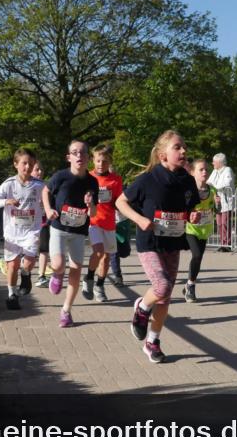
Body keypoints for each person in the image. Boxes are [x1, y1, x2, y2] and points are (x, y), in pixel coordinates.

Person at [116, 130, 200, 363]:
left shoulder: (187, 180)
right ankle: (142, 308)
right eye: (177, 147)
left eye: (184, 147)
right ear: (163, 155)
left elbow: (191, 208)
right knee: (161, 287)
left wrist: (192, 215)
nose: (183, 151)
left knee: (164, 298)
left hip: (173, 243)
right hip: (150, 243)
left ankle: (152, 342)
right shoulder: (148, 179)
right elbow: (120, 202)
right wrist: (139, 219)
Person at [41, 140, 99, 328]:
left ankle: (66, 311)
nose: (79, 156)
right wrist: (49, 210)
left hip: (79, 232)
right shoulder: (61, 177)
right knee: (58, 264)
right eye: (75, 152)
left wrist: (90, 205)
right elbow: (45, 191)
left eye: (83, 152)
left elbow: (94, 214)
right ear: (69, 157)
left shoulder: (92, 182)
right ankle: (57, 274)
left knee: (76, 270)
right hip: (59, 228)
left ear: (88, 157)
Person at [0, 148, 45, 310]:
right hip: (12, 233)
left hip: (31, 231)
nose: (27, 167)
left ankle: (26, 274)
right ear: (16, 164)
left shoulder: (40, 185)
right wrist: (5, 202)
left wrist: (47, 206)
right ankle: (12, 295)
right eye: (24, 163)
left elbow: (51, 198)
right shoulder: (9, 184)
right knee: (12, 265)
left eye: (31, 164)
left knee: (27, 263)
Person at [84, 145, 123, 303]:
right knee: (98, 252)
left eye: (104, 161)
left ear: (109, 162)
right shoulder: (87, 177)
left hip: (109, 222)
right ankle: (89, 278)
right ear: (93, 160)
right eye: (98, 160)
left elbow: (119, 201)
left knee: (106, 256)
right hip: (93, 221)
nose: (101, 164)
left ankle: (99, 286)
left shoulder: (116, 179)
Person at [183, 158, 216, 302]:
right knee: (196, 255)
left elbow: (218, 210)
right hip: (191, 228)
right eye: (201, 170)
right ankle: (191, 286)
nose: (204, 172)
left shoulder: (212, 189)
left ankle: (188, 284)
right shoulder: (189, 191)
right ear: (192, 173)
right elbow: (182, 208)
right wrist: (190, 213)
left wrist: (218, 204)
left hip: (205, 229)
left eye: (206, 169)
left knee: (198, 258)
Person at [208, 153, 235, 252]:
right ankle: (222, 243)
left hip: (227, 201)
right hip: (218, 200)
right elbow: (209, 182)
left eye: (214, 161)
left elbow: (226, 183)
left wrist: (215, 185)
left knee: (225, 223)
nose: (212, 163)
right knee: (219, 223)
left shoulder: (228, 170)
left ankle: (227, 244)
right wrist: (215, 192)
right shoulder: (216, 171)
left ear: (220, 162)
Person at [32, 161, 53, 289]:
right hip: (28, 224)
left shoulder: (47, 186)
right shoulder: (24, 185)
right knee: (29, 251)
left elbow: (51, 202)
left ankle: (41, 276)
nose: (40, 172)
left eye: (41, 169)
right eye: (37, 169)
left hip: (43, 222)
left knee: (44, 249)